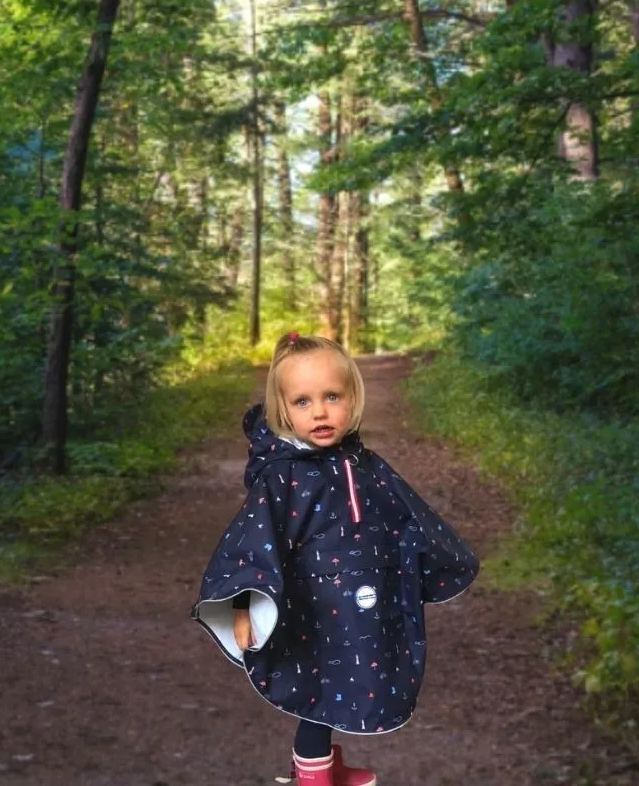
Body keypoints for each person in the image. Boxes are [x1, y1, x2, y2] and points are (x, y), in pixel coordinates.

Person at [191, 333, 479, 786]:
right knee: (318, 685)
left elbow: (407, 518)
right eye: (303, 402)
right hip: (314, 608)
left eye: (331, 397)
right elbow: (252, 544)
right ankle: (313, 776)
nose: (320, 411)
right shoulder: (283, 478)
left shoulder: (365, 464)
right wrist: (245, 605)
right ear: (284, 409)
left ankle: (322, 761)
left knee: (353, 680)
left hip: (364, 606)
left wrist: (428, 561)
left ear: (352, 398)